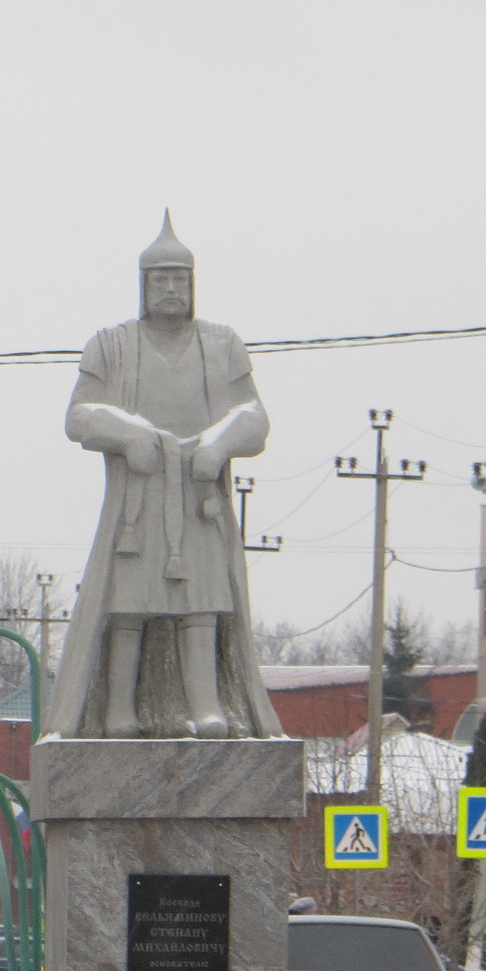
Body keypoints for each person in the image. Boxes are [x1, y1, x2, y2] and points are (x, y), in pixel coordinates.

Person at [51, 214, 280, 739]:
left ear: (193, 285)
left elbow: (255, 418)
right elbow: (78, 416)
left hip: (199, 495)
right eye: (161, 279)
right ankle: (118, 711)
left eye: (180, 279)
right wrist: (127, 435)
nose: (171, 289)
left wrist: (219, 444)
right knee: (128, 601)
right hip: (138, 497)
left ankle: (207, 707)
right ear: (143, 286)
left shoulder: (222, 345)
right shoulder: (110, 346)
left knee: (201, 597)